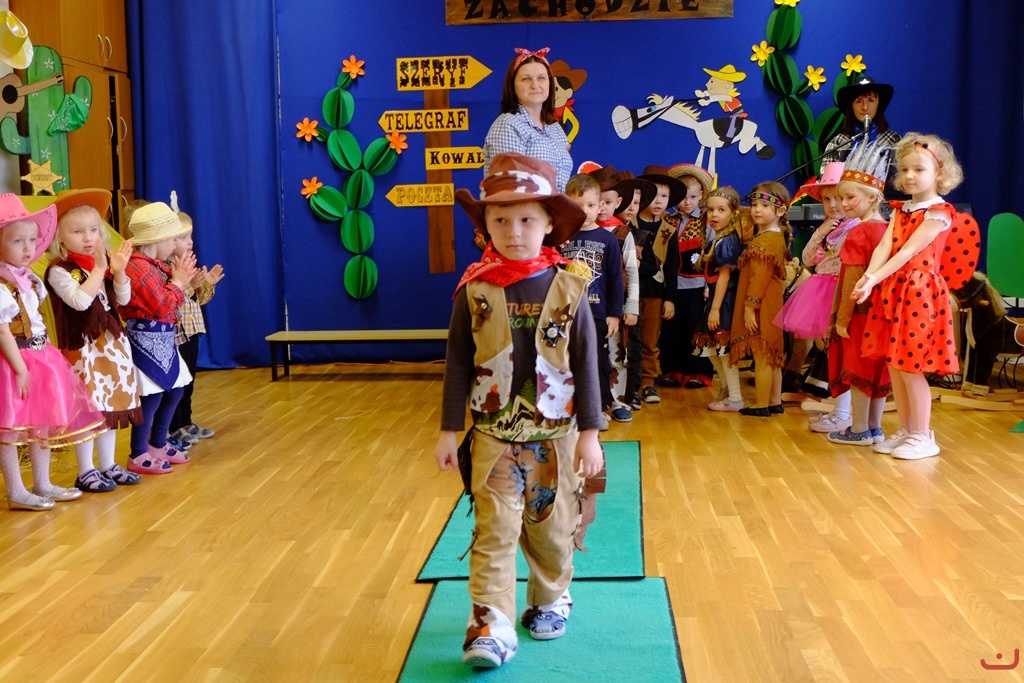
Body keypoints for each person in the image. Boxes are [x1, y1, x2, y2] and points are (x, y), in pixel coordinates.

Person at [434, 152, 603, 669]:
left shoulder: (569, 286)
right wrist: (448, 429)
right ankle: (491, 623)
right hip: (494, 435)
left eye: (527, 219)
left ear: (549, 223)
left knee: (551, 527)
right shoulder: (475, 289)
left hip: (555, 432)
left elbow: (587, 362)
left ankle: (550, 598)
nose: (514, 231)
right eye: (501, 219)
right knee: (495, 530)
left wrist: (591, 433)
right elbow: (458, 361)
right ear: (484, 226)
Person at [852, 133, 967, 459]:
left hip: (919, 294)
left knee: (910, 365)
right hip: (893, 290)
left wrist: (874, 277)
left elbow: (908, 252)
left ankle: (923, 435)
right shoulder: (901, 209)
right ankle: (906, 429)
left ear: (939, 174)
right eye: (904, 170)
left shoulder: (939, 212)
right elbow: (885, 246)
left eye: (919, 169)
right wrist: (869, 277)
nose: (910, 176)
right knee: (894, 365)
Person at [0, 194, 105, 511]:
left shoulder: (29, 278)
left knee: (41, 423)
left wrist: (47, 354)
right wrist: (20, 369)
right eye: (17, 241)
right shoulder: (2, 284)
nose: (28, 248)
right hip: (13, 360)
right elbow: (3, 330)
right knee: (11, 428)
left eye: (32, 240)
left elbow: (36, 319)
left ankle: (42, 483)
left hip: (40, 355)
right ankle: (16, 490)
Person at [44, 189, 143, 492]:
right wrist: (100, 269)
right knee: (87, 409)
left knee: (110, 406)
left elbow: (122, 301)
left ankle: (107, 464)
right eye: (77, 231)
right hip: (82, 349)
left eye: (93, 230)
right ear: (60, 238)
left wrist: (119, 273)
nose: (88, 237)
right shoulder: (59, 270)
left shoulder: (103, 264)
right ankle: (85, 469)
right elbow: (79, 302)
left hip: (111, 346)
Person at [118, 202, 199, 474]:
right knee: (151, 396)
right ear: (158, 240)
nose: (175, 244)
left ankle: (158, 443)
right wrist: (178, 283)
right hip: (145, 339)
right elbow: (161, 305)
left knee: (175, 389)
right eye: (173, 239)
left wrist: (182, 281)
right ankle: (138, 453)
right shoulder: (138, 268)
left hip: (164, 339)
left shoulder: (156, 265)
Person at [825, 144, 893, 445]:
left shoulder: (859, 232)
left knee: (858, 369)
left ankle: (859, 429)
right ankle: (875, 428)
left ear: (873, 197)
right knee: (878, 370)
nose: (843, 204)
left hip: (861, 315)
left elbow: (852, 279)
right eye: (840, 198)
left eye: (850, 197)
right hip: (884, 314)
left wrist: (842, 319)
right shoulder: (889, 230)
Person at [588, 165, 654, 419]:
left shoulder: (623, 233)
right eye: (597, 202)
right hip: (589, 306)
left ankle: (618, 401)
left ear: (618, 203)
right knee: (591, 354)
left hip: (616, 304)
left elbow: (632, 272)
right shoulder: (579, 230)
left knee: (617, 353)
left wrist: (632, 306)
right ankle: (594, 402)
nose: (602, 208)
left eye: (608, 202)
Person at [561, 173, 624, 430]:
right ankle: (568, 408)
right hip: (565, 314)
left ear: (600, 206)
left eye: (590, 205)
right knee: (566, 361)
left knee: (596, 362)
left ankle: (596, 408)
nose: (585, 211)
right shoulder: (559, 238)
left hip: (596, 314)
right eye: (578, 206)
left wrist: (614, 314)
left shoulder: (608, 240)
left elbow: (616, 280)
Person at [730, 182, 791, 417]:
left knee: (762, 354)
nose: (757, 209)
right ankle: (775, 401)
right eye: (755, 204)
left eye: (765, 206)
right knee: (772, 355)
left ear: (780, 210)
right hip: (771, 303)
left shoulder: (765, 241)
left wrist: (749, 307)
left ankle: (761, 404)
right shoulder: (773, 236)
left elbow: (759, 278)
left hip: (761, 305)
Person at [167, 207, 225, 447]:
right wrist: (189, 285)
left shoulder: (189, 263)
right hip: (175, 335)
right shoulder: (168, 268)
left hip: (191, 330)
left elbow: (196, 300)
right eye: (183, 237)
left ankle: (186, 422)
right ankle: (174, 426)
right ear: (169, 240)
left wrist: (206, 284)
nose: (190, 242)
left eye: (190, 236)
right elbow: (171, 300)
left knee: (189, 379)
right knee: (177, 382)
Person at [482, 47, 572, 192]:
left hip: (555, 207)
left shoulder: (555, 128)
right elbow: (509, 189)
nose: (535, 85)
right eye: (526, 79)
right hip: (523, 207)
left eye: (541, 78)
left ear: (550, 84)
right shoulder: (508, 125)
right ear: (512, 86)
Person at [659, 163, 716, 389]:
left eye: (692, 197)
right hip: (672, 286)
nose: (687, 202)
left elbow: (712, 255)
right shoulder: (668, 220)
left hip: (697, 286)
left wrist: (709, 285)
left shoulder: (706, 222)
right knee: (671, 330)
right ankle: (672, 370)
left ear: (701, 195)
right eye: (683, 197)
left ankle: (698, 372)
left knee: (695, 329)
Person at [692, 186, 748, 411]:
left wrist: (715, 309)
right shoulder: (718, 239)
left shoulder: (727, 242)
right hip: (717, 299)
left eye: (721, 210)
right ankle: (726, 391)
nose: (714, 214)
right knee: (713, 351)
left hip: (724, 302)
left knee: (723, 352)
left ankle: (735, 397)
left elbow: (724, 277)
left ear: (733, 213)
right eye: (710, 209)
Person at [634, 165, 684, 404]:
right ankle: (627, 381)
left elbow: (672, 267)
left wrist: (670, 299)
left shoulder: (669, 230)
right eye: (653, 195)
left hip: (655, 293)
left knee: (650, 340)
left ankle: (648, 382)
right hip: (631, 291)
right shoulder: (630, 224)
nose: (658, 201)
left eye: (664, 196)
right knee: (629, 338)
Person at [823, 76, 900, 165]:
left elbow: (902, 172)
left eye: (871, 100)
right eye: (858, 101)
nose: (865, 107)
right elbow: (827, 174)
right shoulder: (838, 143)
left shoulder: (893, 140)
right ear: (851, 106)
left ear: (879, 104)